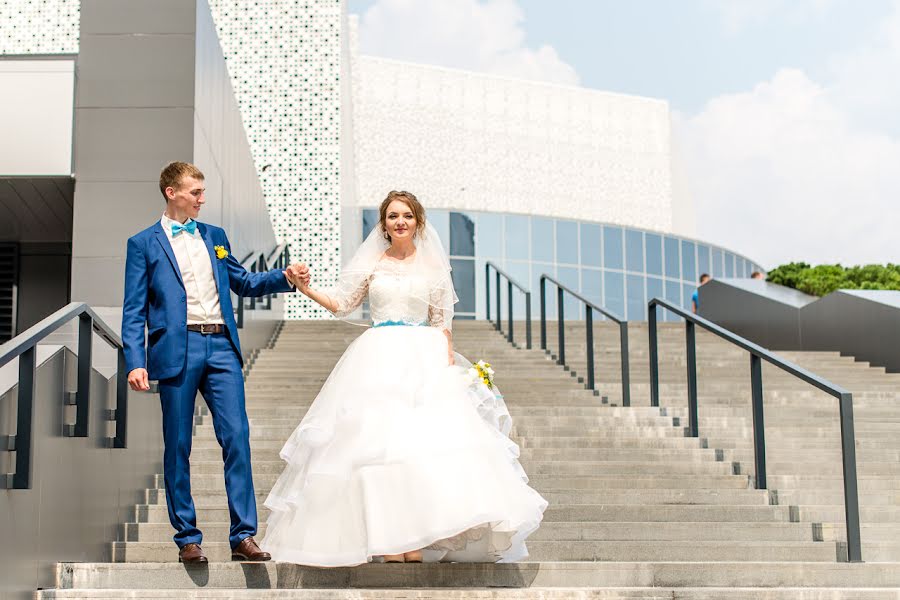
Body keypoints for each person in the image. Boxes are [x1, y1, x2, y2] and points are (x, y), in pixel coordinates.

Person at [262, 190, 547, 566]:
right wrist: (304, 287)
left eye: (407, 216)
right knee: (377, 450)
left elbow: (442, 324)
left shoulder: (433, 268)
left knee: (418, 450)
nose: (400, 222)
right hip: (377, 357)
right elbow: (342, 304)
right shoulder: (373, 264)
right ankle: (387, 538)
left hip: (422, 358)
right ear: (383, 223)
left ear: (418, 222)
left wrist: (446, 369)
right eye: (393, 216)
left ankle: (416, 540)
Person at [121, 161, 310, 564]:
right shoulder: (142, 244)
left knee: (237, 436)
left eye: (203, 191)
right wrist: (134, 360)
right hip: (177, 350)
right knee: (178, 445)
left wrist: (285, 276)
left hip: (222, 346)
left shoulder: (216, 237)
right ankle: (187, 537)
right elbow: (134, 309)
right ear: (172, 192)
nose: (202, 199)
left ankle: (243, 536)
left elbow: (242, 282)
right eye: (195, 192)